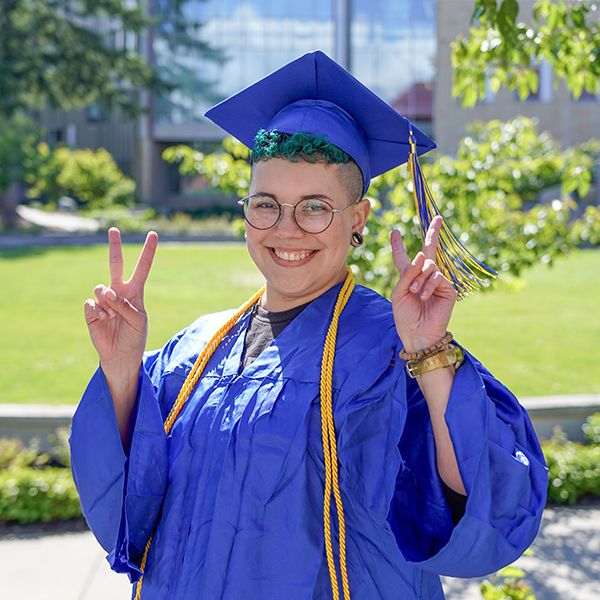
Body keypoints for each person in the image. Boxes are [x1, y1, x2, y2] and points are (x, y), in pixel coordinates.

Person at [70, 51, 547, 600]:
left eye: (315, 207)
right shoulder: (197, 347)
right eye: (266, 204)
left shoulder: (392, 346)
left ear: (358, 219)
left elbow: (478, 504)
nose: (287, 229)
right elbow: (131, 512)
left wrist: (431, 350)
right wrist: (123, 371)